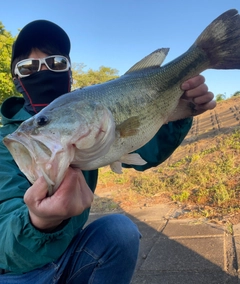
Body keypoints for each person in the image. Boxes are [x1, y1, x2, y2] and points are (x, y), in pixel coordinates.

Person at [0, 20, 216, 283]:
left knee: (119, 231)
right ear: (16, 79)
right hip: (15, 272)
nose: (43, 72)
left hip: (70, 254)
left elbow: (145, 152)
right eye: (29, 67)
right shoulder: (12, 141)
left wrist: (174, 115)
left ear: (69, 75)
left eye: (56, 63)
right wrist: (39, 222)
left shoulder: (88, 129)